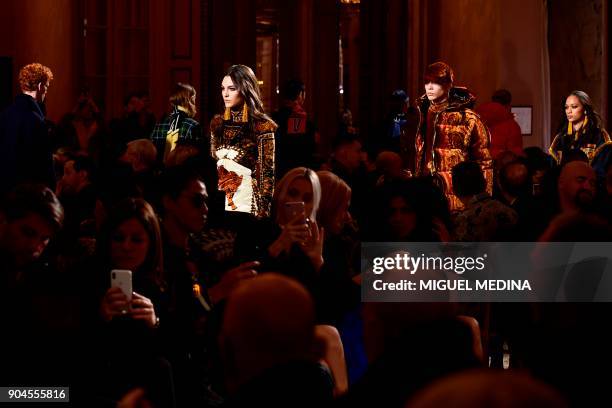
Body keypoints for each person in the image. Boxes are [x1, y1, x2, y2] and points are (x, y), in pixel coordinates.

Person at [414, 61, 492, 211]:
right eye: (426, 81)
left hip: (456, 193)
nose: (429, 87)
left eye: (436, 82)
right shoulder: (418, 115)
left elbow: (484, 161)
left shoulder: (467, 118)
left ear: (448, 84)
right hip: (422, 190)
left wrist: (482, 202)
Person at [210, 64, 277, 221]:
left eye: (232, 89)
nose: (225, 94)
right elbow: (211, 163)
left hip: (248, 203)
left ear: (245, 89)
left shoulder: (262, 126)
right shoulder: (217, 124)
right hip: (219, 201)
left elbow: (267, 173)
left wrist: (263, 212)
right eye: (222, 88)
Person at [0, 63, 55, 193]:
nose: (45, 93)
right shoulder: (36, 120)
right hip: (28, 195)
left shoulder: (4, 115)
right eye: (46, 88)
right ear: (41, 87)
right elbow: (44, 166)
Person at [549, 90, 611, 165]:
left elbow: (601, 170)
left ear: (585, 109)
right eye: (566, 107)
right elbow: (553, 168)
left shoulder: (599, 136)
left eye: (574, 107)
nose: (569, 111)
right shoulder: (560, 138)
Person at [272, 79, 318, 178]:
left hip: (276, 169)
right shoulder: (297, 116)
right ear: (300, 94)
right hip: (293, 172)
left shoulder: (275, 116)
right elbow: (297, 148)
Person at [151, 83, 204, 164]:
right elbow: (198, 158)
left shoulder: (160, 124)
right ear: (190, 99)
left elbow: (153, 153)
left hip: (161, 173)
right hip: (184, 174)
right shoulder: (192, 125)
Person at [475, 89, 523, 159]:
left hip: (477, 165)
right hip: (499, 165)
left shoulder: (475, 118)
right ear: (508, 105)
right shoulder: (512, 126)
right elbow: (515, 152)